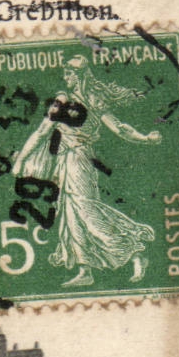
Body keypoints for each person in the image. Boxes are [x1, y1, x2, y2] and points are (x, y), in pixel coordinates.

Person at [11, 54, 162, 288]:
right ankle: (85, 269)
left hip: (80, 159)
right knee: (71, 215)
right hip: (64, 162)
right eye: (65, 73)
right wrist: (22, 158)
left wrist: (145, 138)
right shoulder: (62, 100)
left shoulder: (93, 99)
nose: (65, 77)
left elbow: (119, 128)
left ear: (80, 76)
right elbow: (42, 131)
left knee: (86, 212)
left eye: (70, 74)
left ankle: (133, 250)